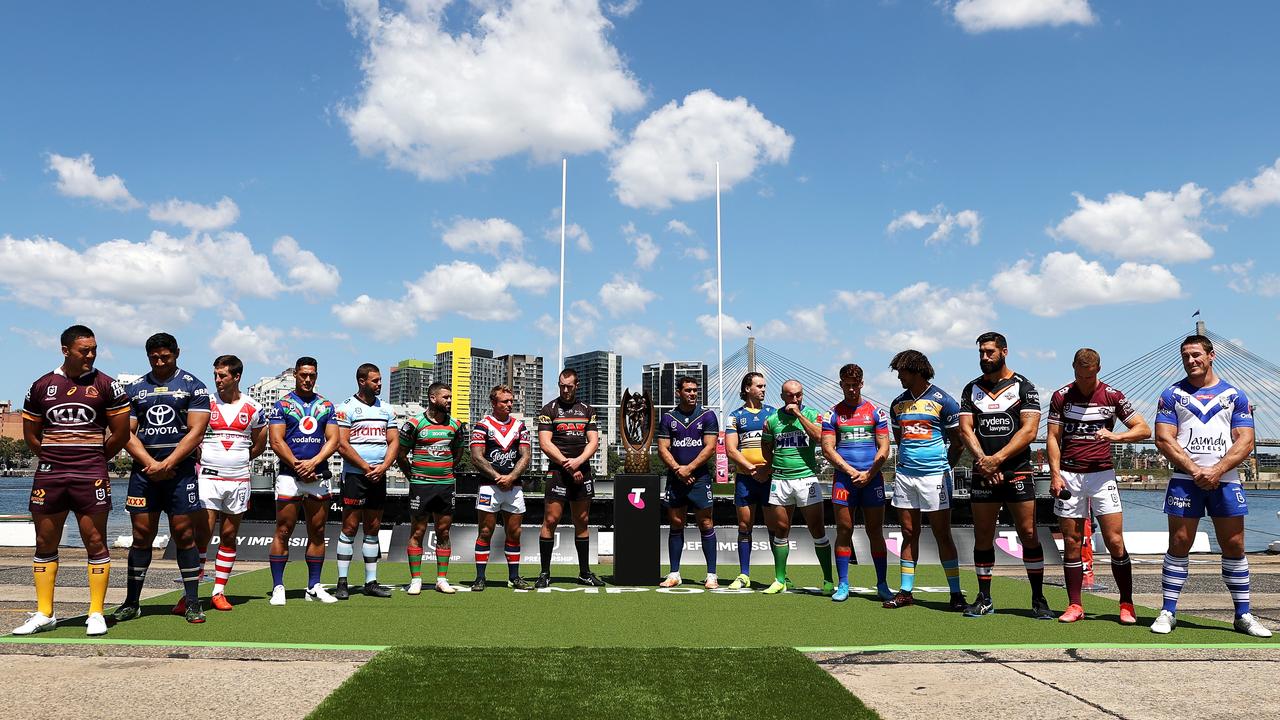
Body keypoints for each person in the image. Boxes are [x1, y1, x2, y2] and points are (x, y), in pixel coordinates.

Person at [13, 325, 130, 637]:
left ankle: (95, 613)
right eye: (84, 350)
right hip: (50, 475)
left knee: (95, 542)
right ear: (65, 350)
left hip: (90, 474)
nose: (90, 355)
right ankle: (44, 613)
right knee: (44, 543)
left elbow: (120, 434)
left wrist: (93, 458)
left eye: (94, 349)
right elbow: (31, 436)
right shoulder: (41, 385)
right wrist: (56, 458)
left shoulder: (108, 385)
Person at [1151, 335, 1270, 637]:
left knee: (1235, 546)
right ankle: (1168, 611)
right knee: (1179, 544)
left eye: (1196, 355)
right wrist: (1195, 470)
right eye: (1185, 356)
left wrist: (1216, 470)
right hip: (1184, 480)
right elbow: (1164, 438)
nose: (1191, 360)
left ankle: (1243, 614)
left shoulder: (1234, 395)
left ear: (1211, 355)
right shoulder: (1172, 394)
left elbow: (1246, 440)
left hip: (1226, 479)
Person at [113, 333, 212, 625]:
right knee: (142, 537)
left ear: (177, 353)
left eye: (165, 357)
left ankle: (193, 601)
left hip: (180, 473)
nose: (159, 361)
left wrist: (168, 462)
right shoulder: (134, 389)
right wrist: (151, 464)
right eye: (154, 357)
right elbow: (125, 433)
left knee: (184, 535)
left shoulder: (194, 386)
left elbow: (196, 432)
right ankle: (132, 602)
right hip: (144, 474)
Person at [1047, 349, 1149, 624]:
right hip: (1070, 474)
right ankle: (1075, 605)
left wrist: (1115, 436)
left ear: (1099, 369)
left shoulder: (1112, 395)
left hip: (1102, 475)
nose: (1084, 380)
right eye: (1080, 375)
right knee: (1071, 542)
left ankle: (1126, 604)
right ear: (1073, 369)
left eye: (1089, 375)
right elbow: (1053, 438)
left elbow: (1143, 429)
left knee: (1115, 541)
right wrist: (1055, 475)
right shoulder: (1061, 396)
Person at [957, 332, 1052, 619]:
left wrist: (997, 460)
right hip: (983, 471)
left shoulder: (1025, 387)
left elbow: (1029, 431)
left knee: (1028, 534)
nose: (984, 357)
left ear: (1004, 352)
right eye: (981, 353)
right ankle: (984, 598)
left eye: (989, 352)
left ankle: (1038, 599)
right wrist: (984, 462)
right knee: (983, 536)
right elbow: (965, 430)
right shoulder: (970, 389)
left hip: (1017, 470)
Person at [884, 350, 967, 611]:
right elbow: (901, 441)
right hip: (906, 476)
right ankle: (906, 592)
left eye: (902, 372)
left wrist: (943, 468)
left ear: (917, 371)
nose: (898, 377)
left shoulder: (945, 401)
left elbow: (958, 443)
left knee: (942, 534)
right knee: (909, 533)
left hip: (935, 477)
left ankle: (955, 594)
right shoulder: (897, 404)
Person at [193, 354, 268, 611]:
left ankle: (218, 591)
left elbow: (260, 444)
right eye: (215, 374)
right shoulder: (205, 402)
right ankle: (191, 593)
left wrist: (236, 459)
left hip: (238, 479)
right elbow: (192, 436)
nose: (217, 380)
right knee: (201, 534)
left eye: (222, 375)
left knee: (228, 534)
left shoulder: (253, 407)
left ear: (236, 377)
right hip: (208, 478)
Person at [267, 356, 340, 606]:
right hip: (290, 476)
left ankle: (314, 586)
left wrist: (313, 463)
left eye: (312, 375)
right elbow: (276, 441)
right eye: (303, 375)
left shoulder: (327, 406)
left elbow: (333, 440)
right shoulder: (282, 405)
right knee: (283, 530)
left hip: (318, 475)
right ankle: (278, 587)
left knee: (318, 531)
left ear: (316, 375)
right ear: (296, 375)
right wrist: (298, 466)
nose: (307, 379)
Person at [820, 364, 891, 603]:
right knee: (844, 530)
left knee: (875, 531)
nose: (851, 389)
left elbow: (884, 447)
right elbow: (828, 449)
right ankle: (843, 584)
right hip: (845, 479)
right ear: (840, 384)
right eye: (846, 385)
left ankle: (882, 583)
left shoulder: (875, 412)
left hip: (872, 479)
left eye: (855, 385)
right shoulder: (832, 414)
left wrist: (869, 473)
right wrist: (851, 471)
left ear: (862, 384)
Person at [761, 380, 834, 595]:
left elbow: (820, 438)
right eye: (790, 396)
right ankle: (780, 579)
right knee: (781, 529)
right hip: (781, 480)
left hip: (806, 479)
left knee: (817, 529)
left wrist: (799, 416)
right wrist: (772, 465)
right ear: (782, 396)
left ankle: (828, 580)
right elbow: (766, 446)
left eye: (799, 395)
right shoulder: (773, 419)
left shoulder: (812, 414)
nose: (795, 399)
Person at [535, 369, 606, 588]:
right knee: (550, 520)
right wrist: (568, 464)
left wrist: (579, 462)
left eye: (569, 386)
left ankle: (584, 573)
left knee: (582, 521)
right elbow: (546, 443)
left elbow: (593, 441)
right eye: (561, 386)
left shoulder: (587, 409)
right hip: (558, 472)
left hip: (582, 471)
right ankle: (544, 573)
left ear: (577, 385)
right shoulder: (549, 409)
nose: (565, 390)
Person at [333, 363, 398, 600]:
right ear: (362, 381)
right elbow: (342, 444)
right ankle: (342, 582)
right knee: (349, 528)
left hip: (378, 476)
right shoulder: (346, 408)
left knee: (373, 528)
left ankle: (371, 582)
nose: (380, 384)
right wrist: (364, 467)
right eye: (375, 380)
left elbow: (393, 442)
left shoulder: (387, 410)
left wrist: (383, 467)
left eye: (380, 380)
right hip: (355, 476)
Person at [397, 382, 465, 595]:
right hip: (421, 486)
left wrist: (445, 472)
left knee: (443, 532)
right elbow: (401, 455)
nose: (449, 400)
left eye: (450, 397)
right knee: (418, 531)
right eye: (446, 397)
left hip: (445, 486)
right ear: (433, 398)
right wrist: (414, 477)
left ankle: (441, 579)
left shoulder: (456, 425)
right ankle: (416, 579)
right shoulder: (414, 423)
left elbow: (458, 453)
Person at [657, 376, 720, 589]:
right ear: (678, 392)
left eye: (695, 390)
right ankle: (674, 573)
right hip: (676, 478)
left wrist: (689, 469)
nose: (692, 394)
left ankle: (711, 574)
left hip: (700, 478)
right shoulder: (668, 417)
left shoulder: (708, 415)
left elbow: (709, 447)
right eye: (688, 390)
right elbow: (662, 448)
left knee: (706, 523)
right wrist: (678, 469)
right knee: (676, 523)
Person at [469, 384, 533, 591]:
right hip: (489, 486)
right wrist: (498, 477)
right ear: (494, 403)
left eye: (511, 400)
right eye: (505, 401)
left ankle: (514, 577)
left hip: (513, 488)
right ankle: (480, 577)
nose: (509, 404)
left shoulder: (519, 426)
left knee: (514, 532)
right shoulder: (482, 425)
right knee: (485, 531)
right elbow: (477, 458)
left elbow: (526, 455)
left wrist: (511, 477)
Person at [724, 372, 778, 590]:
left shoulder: (773, 413)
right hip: (747, 479)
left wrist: (766, 469)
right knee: (745, 526)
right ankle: (744, 574)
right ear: (747, 388)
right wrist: (750, 468)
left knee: (775, 527)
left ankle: (780, 575)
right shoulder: (735, 416)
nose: (764, 389)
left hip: (769, 477)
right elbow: (730, 449)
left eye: (765, 386)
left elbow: (779, 445)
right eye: (759, 386)